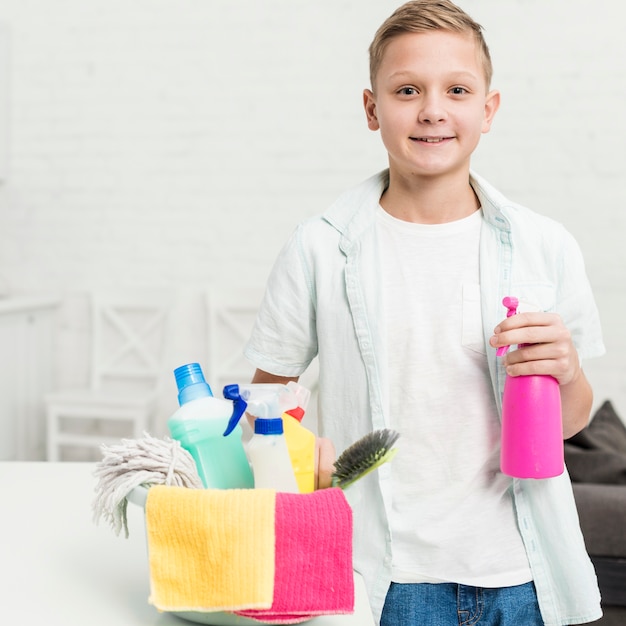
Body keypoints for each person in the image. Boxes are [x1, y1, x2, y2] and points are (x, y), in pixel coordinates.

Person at [243, 1, 605, 624]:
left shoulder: (546, 246)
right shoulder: (320, 246)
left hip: (521, 576)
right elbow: (262, 403)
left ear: (487, 110)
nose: (433, 109)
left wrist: (567, 372)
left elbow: (570, 423)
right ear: (371, 108)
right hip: (385, 582)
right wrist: (303, 451)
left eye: (457, 89)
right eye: (407, 89)